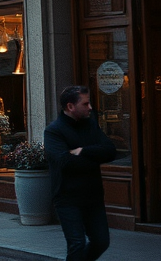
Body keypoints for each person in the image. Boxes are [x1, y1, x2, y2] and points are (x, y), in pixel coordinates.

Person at [44, 85, 116, 261]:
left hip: (93, 196)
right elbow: (65, 162)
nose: (90, 107)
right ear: (70, 106)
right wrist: (94, 156)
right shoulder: (54, 131)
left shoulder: (90, 125)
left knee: (101, 241)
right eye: (85, 103)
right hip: (67, 197)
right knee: (76, 243)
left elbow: (110, 150)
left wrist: (82, 151)